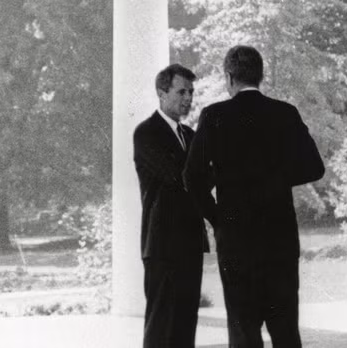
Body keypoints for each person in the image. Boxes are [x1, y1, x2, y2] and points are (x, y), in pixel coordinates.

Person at [183, 45, 325, 348]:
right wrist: (276, 178)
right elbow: (314, 167)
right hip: (279, 238)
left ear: (229, 77)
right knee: (285, 329)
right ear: (260, 76)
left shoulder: (214, 116)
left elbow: (191, 178)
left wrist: (218, 218)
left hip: (236, 239)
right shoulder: (285, 113)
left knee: (243, 331)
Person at [133, 63, 216, 348]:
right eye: (181, 91)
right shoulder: (146, 133)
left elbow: (203, 183)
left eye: (191, 92)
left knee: (185, 327)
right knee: (160, 328)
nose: (188, 98)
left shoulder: (191, 136)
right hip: (162, 246)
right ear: (161, 92)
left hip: (191, 243)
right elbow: (179, 177)